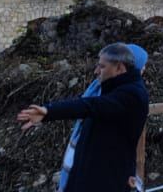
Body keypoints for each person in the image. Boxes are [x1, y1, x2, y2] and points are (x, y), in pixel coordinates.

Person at [17, 42, 149, 192]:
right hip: (92, 170)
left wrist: (49, 112)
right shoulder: (113, 88)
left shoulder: (132, 94)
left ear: (119, 67)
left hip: (105, 178)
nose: (96, 71)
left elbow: (89, 106)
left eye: (102, 66)